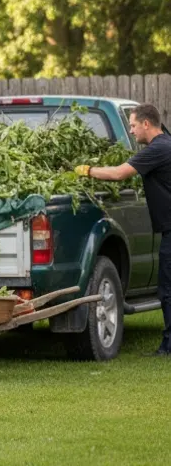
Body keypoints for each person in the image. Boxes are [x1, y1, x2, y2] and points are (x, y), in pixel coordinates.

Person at [76, 103, 171, 356]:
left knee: (168, 288)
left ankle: (169, 346)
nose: (131, 131)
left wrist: (87, 171)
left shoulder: (157, 149)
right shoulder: (166, 143)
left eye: (132, 125)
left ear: (147, 124)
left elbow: (119, 174)